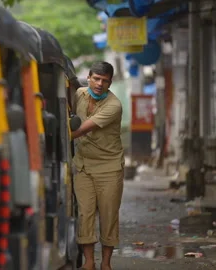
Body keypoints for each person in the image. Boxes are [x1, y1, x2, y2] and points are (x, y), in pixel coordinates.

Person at [71, 61, 124, 270]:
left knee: (109, 215)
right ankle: (89, 262)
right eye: (96, 79)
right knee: (85, 214)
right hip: (83, 165)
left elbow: (82, 129)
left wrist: (55, 133)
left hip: (109, 168)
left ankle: (106, 264)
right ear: (89, 78)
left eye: (105, 81)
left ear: (110, 83)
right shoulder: (79, 95)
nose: (99, 84)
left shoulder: (114, 105)